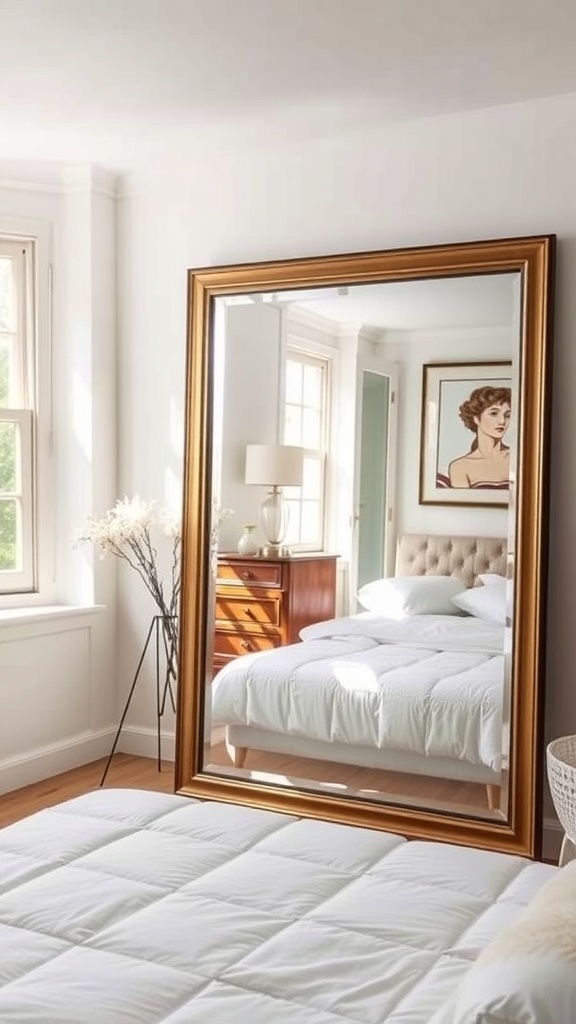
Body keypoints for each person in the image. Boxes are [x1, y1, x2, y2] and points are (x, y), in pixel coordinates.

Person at [447, 385, 511, 489]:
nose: (502, 421)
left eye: (507, 415)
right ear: (476, 418)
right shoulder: (460, 467)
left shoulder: (518, 458)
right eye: (494, 413)